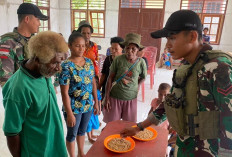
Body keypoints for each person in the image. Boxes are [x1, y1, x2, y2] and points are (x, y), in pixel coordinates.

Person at [120, 10, 232, 156]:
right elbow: (169, 104)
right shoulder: (186, 68)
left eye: (172, 38)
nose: (167, 46)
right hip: (184, 148)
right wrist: (139, 127)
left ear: (192, 36)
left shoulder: (220, 68)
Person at [2, 31, 68, 157]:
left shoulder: (44, 72)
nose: (58, 68)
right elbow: (12, 132)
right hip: (37, 151)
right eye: (55, 63)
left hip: (55, 145)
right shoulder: (19, 89)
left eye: (60, 62)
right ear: (37, 59)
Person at [59, 32, 99, 157]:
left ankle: (81, 153)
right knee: (72, 133)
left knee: (82, 131)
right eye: (77, 46)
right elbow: (64, 92)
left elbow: (93, 82)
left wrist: (96, 102)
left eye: (83, 46)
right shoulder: (66, 66)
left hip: (87, 104)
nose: (81, 49)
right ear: (70, 46)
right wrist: (69, 113)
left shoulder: (88, 62)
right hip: (73, 107)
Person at [0, 3, 48, 87]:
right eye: (37, 19)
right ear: (27, 19)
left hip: (38, 91)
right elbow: (6, 80)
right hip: (20, 94)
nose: (39, 24)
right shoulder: (8, 43)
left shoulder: (38, 42)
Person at [103, 33, 147, 123]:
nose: (130, 51)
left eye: (133, 49)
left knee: (128, 126)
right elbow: (110, 78)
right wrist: (107, 97)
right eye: (127, 48)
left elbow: (143, 77)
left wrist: (137, 86)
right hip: (115, 97)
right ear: (124, 48)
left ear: (138, 49)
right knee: (112, 125)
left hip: (131, 99)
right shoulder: (118, 60)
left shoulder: (141, 62)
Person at [86, 76, 102, 144]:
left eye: (95, 82)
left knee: (94, 123)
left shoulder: (98, 92)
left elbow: (99, 101)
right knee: (88, 124)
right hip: (88, 111)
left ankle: (92, 134)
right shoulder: (87, 92)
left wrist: (100, 109)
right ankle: (89, 138)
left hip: (94, 111)